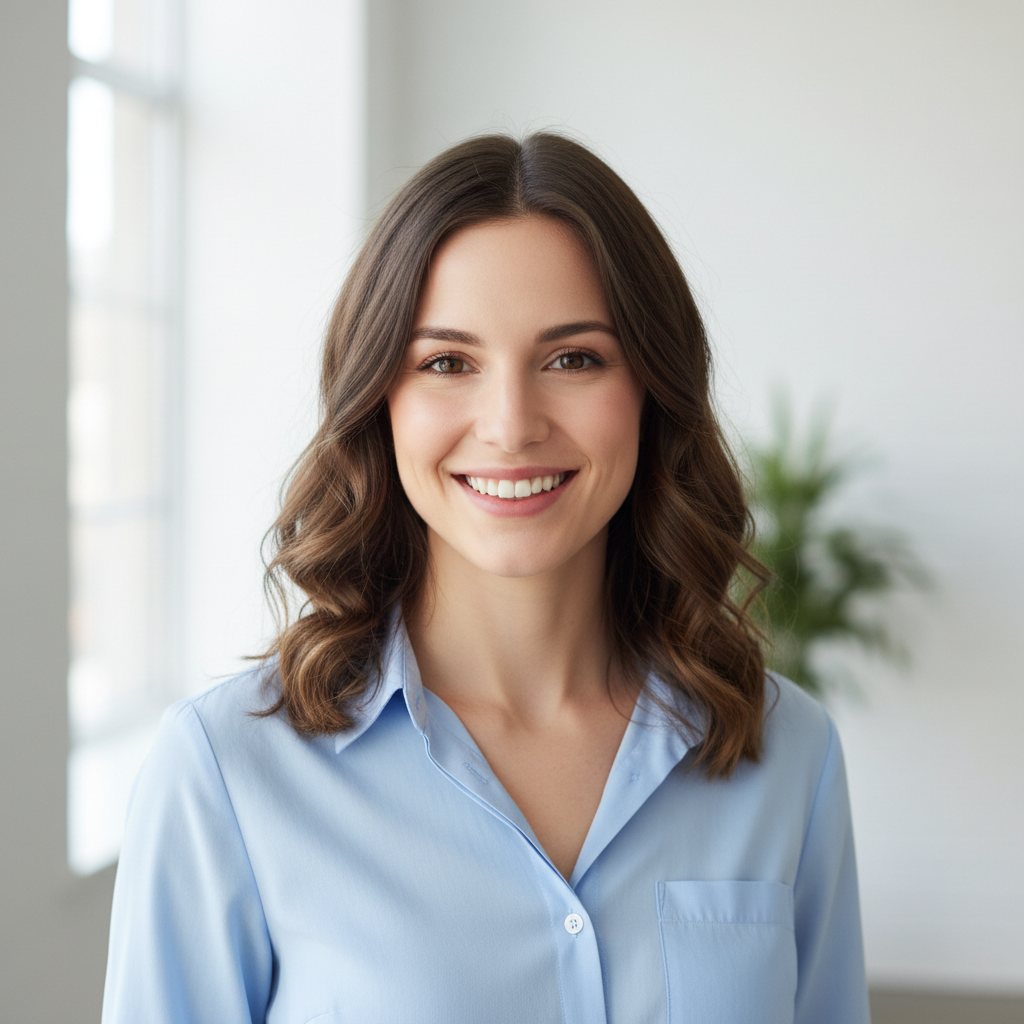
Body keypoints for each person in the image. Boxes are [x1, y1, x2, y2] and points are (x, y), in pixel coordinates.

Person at [102, 133, 870, 1024]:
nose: (510, 425)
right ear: (378, 399)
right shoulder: (225, 775)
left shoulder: (788, 754)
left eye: (573, 358)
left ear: (655, 389)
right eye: (447, 363)